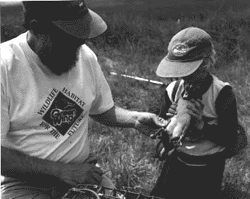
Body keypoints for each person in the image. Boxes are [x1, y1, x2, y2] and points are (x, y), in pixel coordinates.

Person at [0, 1, 168, 198]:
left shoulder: (83, 56)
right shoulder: (6, 66)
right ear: (37, 28)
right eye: (67, 40)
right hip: (25, 184)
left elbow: (101, 108)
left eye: (80, 40)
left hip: (83, 174)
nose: (78, 47)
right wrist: (61, 171)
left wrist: (135, 119)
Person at [150, 27, 244, 199]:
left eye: (187, 71)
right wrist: (170, 122)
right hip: (177, 160)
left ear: (205, 64)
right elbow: (163, 135)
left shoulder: (221, 94)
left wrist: (202, 126)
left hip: (210, 165)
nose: (183, 77)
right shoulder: (173, 90)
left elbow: (230, 138)